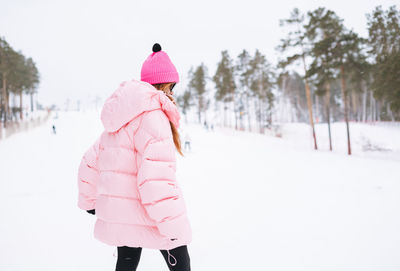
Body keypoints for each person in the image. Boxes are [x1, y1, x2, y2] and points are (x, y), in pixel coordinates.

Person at [77, 43, 192, 271]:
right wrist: (171, 224)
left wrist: (89, 201)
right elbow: (155, 180)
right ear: (167, 84)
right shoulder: (153, 117)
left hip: (122, 214)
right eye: (172, 87)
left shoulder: (121, 118)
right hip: (151, 213)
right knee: (181, 262)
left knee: (126, 262)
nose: (172, 93)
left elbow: (89, 162)